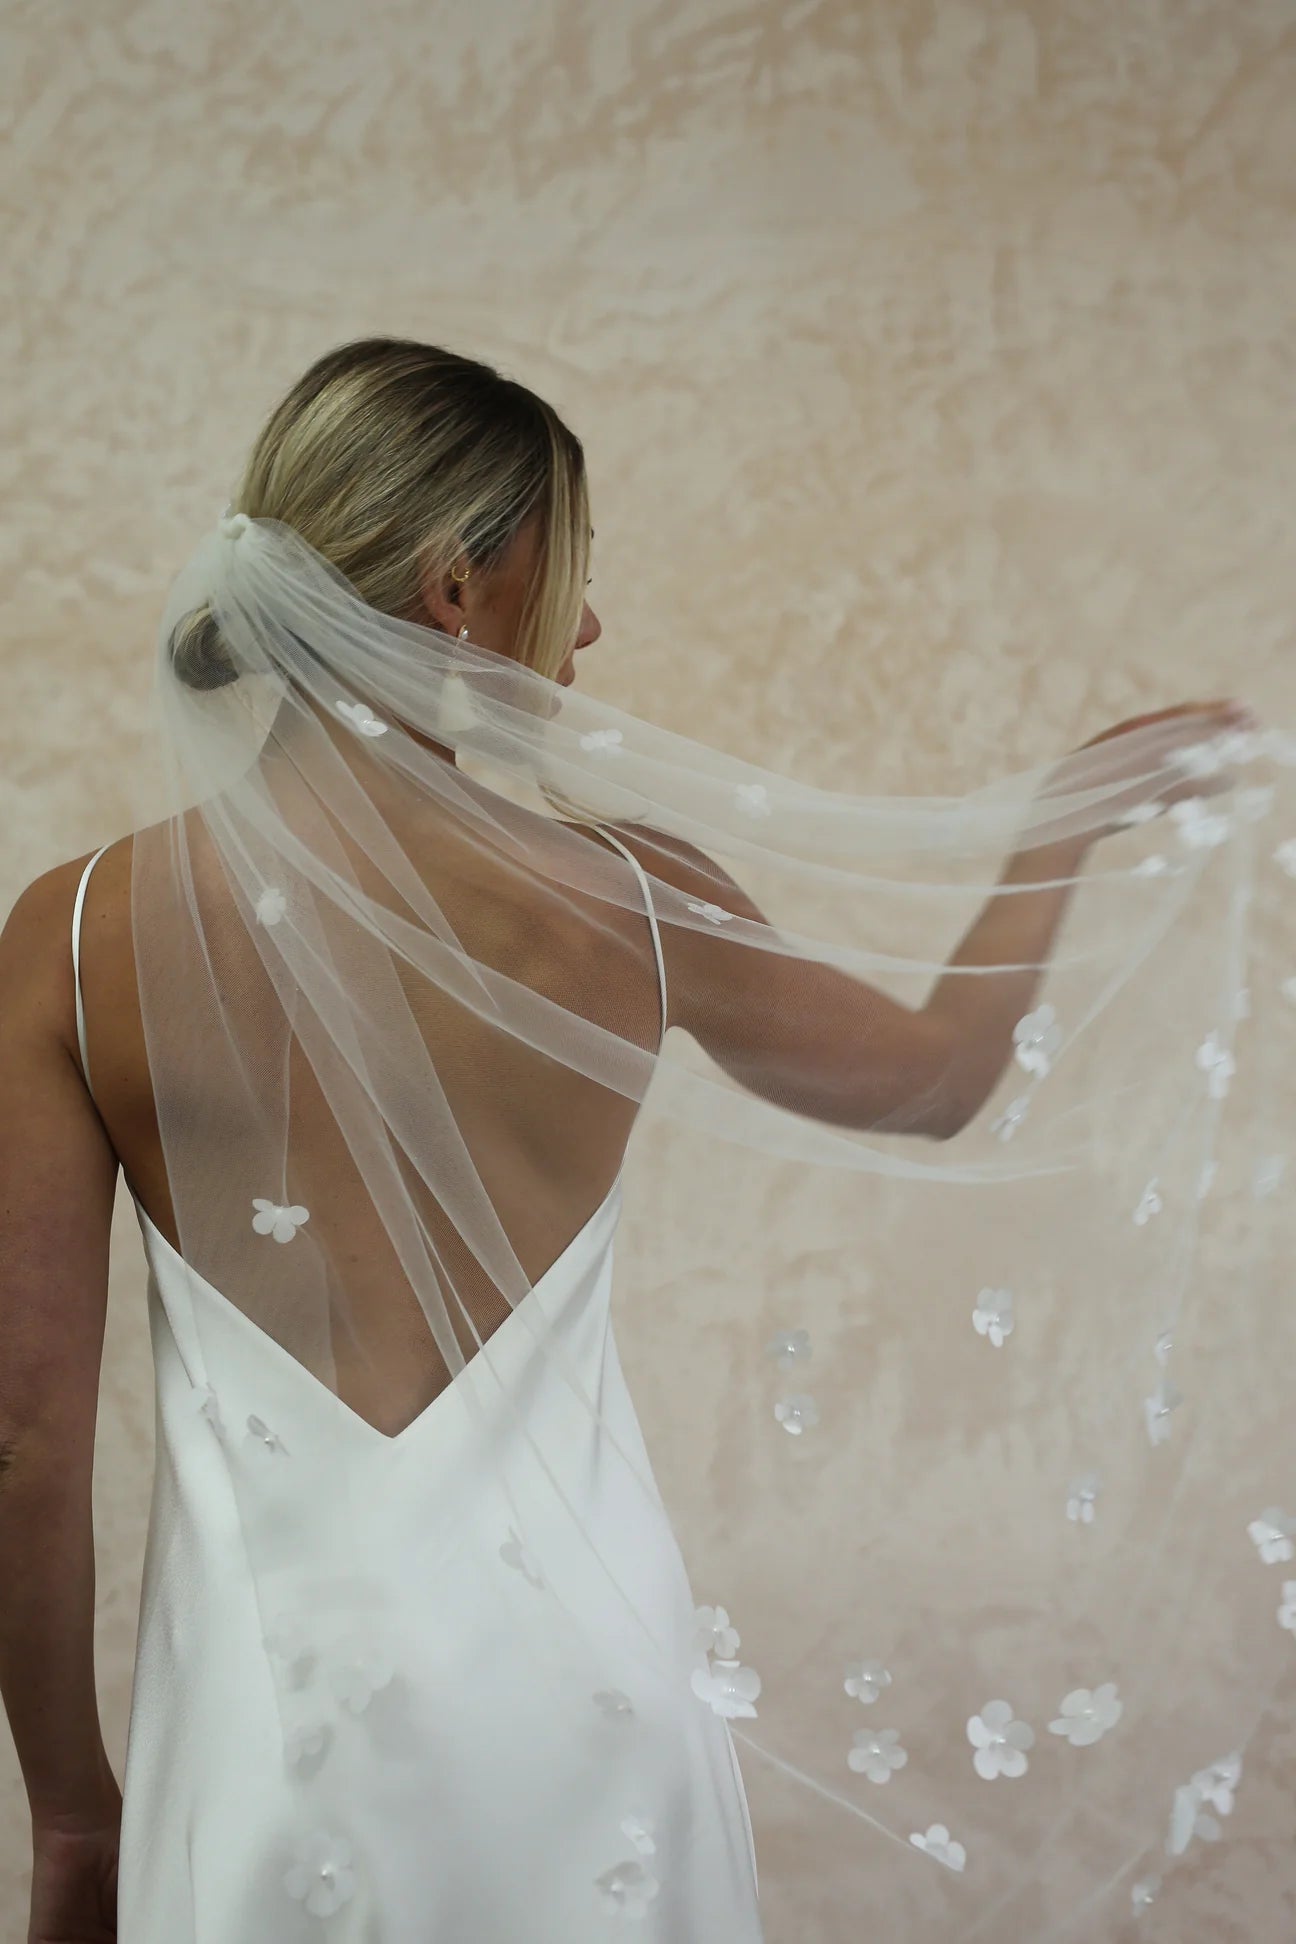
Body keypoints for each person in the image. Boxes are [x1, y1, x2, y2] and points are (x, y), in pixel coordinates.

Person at [0, 338, 1289, 1941]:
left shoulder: (71, 939)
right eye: (570, 567)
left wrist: (69, 1809)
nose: (589, 624)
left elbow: (26, 1439)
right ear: (453, 586)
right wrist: (1057, 827)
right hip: (583, 1708)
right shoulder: (627, 907)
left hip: (279, 1730)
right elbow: (943, 1076)